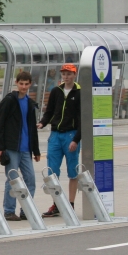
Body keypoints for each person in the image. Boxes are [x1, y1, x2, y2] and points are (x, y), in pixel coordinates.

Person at [0, 71, 41, 221]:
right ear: (16, 83)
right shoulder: (10, 100)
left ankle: (26, 209)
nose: (24, 86)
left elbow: (32, 129)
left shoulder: (29, 102)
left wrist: (36, 150)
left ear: (30, 84)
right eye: (21, 83)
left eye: (26, 84)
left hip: (26, 148)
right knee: (13, 179)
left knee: (30, 179)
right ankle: (9, 210)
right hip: (11, 147)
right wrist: (0, 147)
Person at [37, 63, 81, 217]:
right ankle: (57, 204)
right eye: (64, 74)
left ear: (74, 75)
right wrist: (42, 122)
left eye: (69, 74)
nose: (66, 76)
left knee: (73, 171)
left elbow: (83, 118)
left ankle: (71, 204)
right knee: (52, 172)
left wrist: (76, 139)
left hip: (71, 135)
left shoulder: (79, 92)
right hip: (55, 134)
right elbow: (50, 112)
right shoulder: (56, 91)